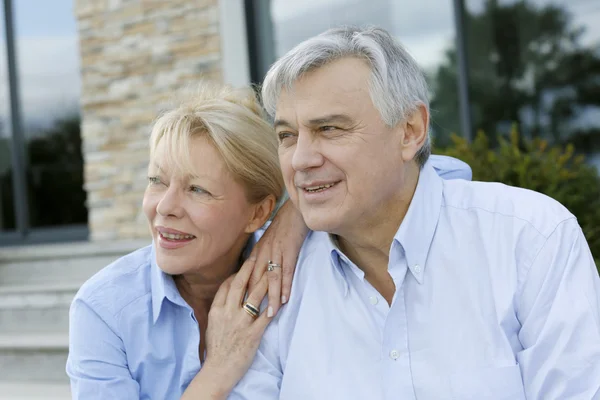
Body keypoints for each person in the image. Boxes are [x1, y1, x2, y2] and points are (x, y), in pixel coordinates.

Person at [230, 26, 600, 400]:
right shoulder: (272, 288)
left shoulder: (530, 240)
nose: (301, 160)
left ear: (410, 131)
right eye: (286, 136)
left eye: (329, 128)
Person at [66, 81, 472, 399]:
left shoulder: (293, 263)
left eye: (198, 190)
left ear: (258, 212)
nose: (164, 207)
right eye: (157, 181)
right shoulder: (105, 310)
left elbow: (446, 172)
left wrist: (294, 215)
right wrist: (220, 369)